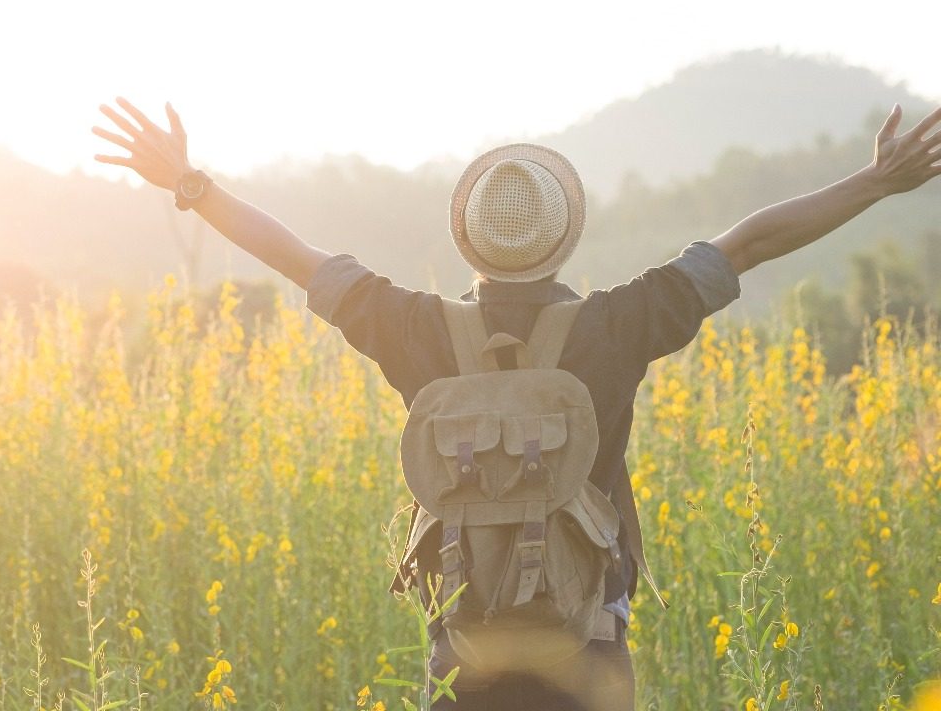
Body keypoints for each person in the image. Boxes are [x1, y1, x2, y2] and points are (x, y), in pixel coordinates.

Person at [93, 97, 941, 710]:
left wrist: (191, 183)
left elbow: (298, 258)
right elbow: (750, 242)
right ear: (565, 234)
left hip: (462, 658)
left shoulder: (413, 329)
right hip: (589, 657)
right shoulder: (619, 324)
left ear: (470, 241)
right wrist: (873, 181)